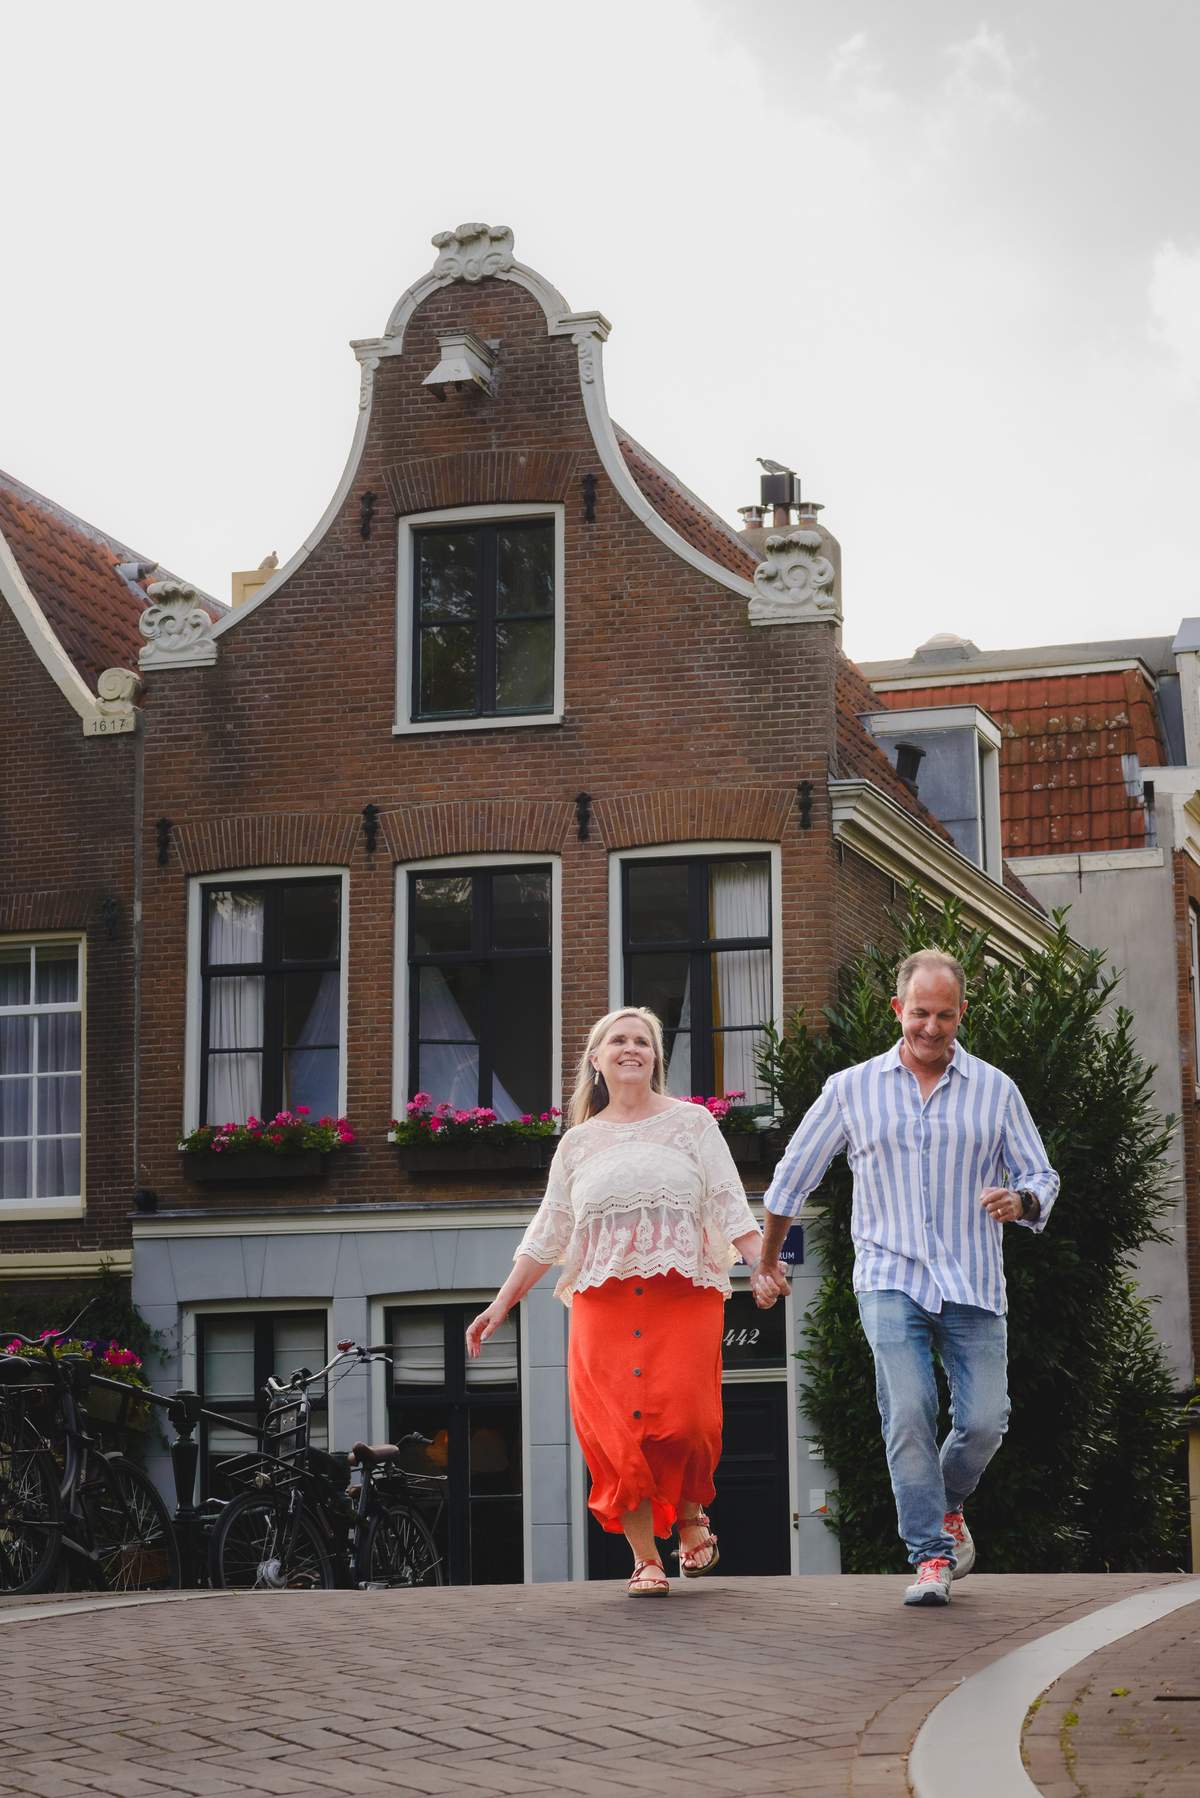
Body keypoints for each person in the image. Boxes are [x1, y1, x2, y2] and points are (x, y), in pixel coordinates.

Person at [751, 948, 1058, 1607]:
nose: (931, 1027)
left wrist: (1022, 1202)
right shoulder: (851, 1090)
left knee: (985, 1422)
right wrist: (769, 1259)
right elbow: (791, 1179)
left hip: (972, 1280)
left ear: (961, 1014)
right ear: (899, 1010)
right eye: (920, 1013)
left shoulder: (995, 1091)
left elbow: (1040, 1176)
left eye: (945, 1015)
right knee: (910, 1407)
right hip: (888, 1276)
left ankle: (946, 1499)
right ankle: (930, 1557)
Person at [466, 1007, 768, 1596]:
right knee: (615, 1431)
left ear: (654, 1058)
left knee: (686, 1423)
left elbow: (730, 1201)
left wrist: (761, 1264)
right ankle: (645, 1558)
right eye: (619, 1040)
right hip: (602, 1301)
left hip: (683, 1292)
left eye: (643, 1042)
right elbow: (548, 1231)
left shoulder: (693, 1124)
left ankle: (687, 1515)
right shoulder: (578, 1143)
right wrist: (500, 1305)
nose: (632, 1049)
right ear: (597, 1059)